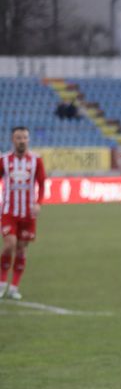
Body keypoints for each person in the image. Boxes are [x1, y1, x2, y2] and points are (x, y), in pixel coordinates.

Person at [0, 127, 46, 300]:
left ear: (28, 139)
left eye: (25, 137)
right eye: (18, 137)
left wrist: (38, 203)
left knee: (21, 250)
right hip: (8, 211)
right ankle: (2, 281)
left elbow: (42, 183)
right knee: (9, 244)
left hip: (28, 213)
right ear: (13, 139)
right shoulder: (4, 160)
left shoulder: (36, 161)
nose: (22, 140)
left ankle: (14, 287)